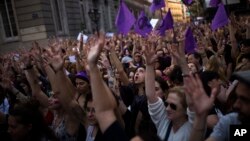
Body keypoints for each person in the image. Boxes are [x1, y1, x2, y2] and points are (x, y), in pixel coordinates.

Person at [186, 70, 250, 141]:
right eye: (237, 97)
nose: (236, 105)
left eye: (245, 100)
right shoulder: (231, 121)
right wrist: (200, 117)